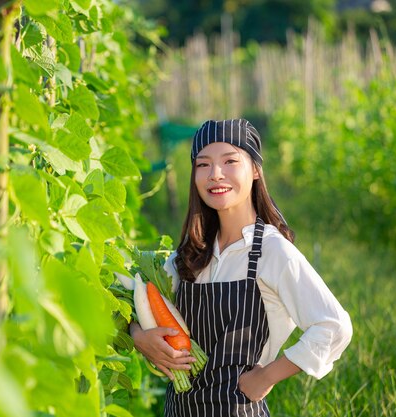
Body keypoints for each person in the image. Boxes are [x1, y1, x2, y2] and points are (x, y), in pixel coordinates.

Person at [129, 119, 353, 416]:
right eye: (203, 164)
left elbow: (334, 326)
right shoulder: (188, 256)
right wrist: (139, 337)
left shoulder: (272, 251)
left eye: (230, 161)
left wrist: (268, 376)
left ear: (256, 169)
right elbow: (136, 302)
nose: (215, 174)